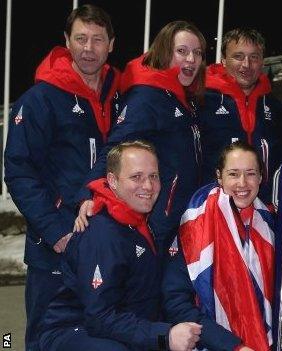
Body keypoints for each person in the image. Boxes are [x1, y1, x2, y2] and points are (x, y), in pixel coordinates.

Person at [3, 5, 120, 350]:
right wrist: (56, 232)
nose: (89, 48)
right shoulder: (40, 99)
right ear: (66, 41)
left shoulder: (121, 96)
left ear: (111, 44)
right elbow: (19, 171)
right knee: (44, 339)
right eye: (81, 38)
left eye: (97, 40)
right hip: (56, 246)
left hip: (108, 244)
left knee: (101, 336)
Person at [38, 141, 202, 351]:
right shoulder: (102, 234)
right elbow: (98, 317)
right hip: (74, 331)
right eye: (136, 177)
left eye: (154, 176)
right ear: (112, 181)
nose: (148, 186)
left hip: (123, 326)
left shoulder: (145, 221)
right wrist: (164, 336)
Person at [76, 20, 207, 253]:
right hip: (158, 227)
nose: (191, 60)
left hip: (182, 223)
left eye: (197, 53)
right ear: (164, 52)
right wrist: (90, 193)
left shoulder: (182, 97)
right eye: (182, 51)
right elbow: (117, 146)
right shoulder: (147, 96)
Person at [163, 141, 275, 351]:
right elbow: (176, 303)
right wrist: (234, 347)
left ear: (261, 177)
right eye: (233, 174)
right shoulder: (194, 226)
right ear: (219, 177)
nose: (242, 183)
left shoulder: (272, 225)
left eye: (250, 173)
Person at [200, 28, 282, 203]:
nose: (246, 64)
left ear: (262, 61)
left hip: (263, 212)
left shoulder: (274, 107)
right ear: (224, 60)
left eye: (254, 57)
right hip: (214, 211)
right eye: (238, 56)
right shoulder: (203, 102)